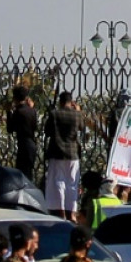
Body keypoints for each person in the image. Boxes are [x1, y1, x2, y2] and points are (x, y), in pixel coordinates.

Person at [45, 91, 83, 221]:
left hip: (57, 152)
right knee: (72, 183)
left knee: (59, 181)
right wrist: (78, 111)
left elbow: (47, 131)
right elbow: (82, 127)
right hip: (73, 153)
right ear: (71, 102)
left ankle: (61, 211)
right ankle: (72, 212)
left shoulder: (54, 114)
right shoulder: (77, 114)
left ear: (60, 102)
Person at [7, 85, 39, 183]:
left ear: (14, 98)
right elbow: (35, 126)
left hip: (24, 146)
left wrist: (8, 112)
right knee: (29, 174)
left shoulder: (18, 112)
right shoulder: (32, 111)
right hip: (32, 145)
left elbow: (10, 129)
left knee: (22, 176)